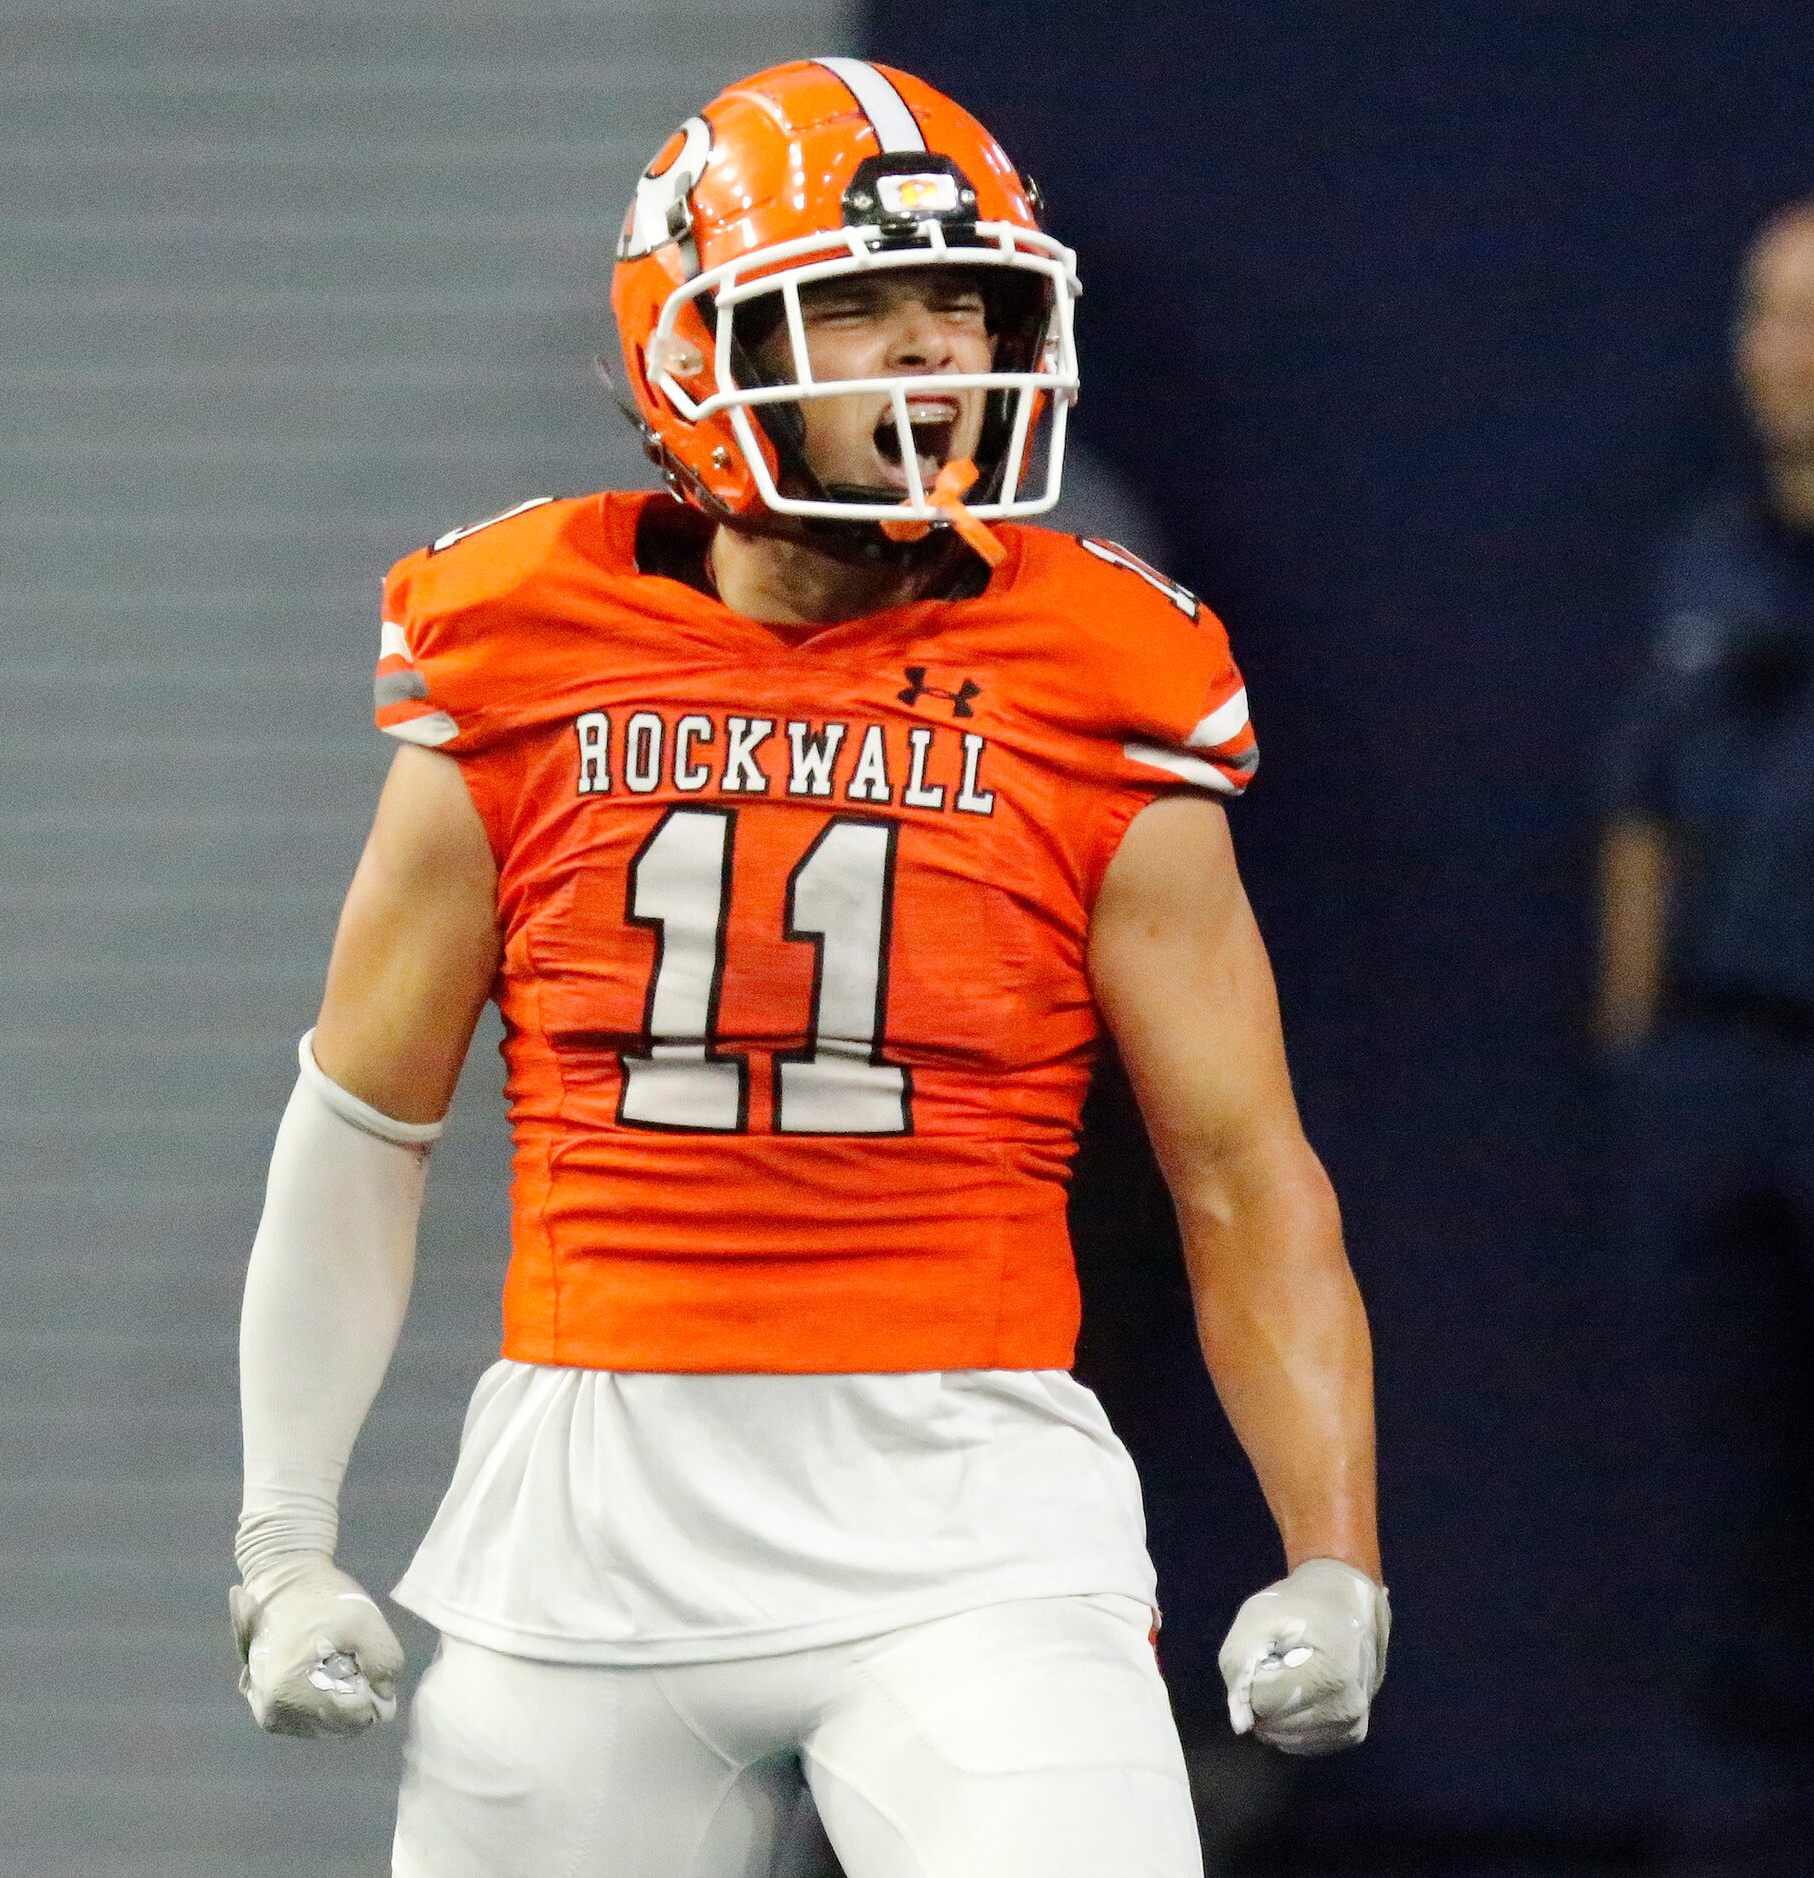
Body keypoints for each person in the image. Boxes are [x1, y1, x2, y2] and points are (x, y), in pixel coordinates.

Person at [231, 58, 1387, 1878]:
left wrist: (1334, 1548)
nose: (935, 357)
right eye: (860, 310)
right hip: (587, 1514)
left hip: (972, 1504)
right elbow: (366, 1115)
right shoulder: (519, 645)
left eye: (964, 304)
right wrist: (281, 1536)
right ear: (692, 343)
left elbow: (1240, 1165)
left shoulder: (1101, 671)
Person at [1596, 200, 1814, 1866]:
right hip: (1717, 1076)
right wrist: (1639, 1048)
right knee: (1718, 1491)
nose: (1780, 356)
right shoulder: (1706, 555)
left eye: (1808, 319)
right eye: (1761, 316)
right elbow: (1639, 814)